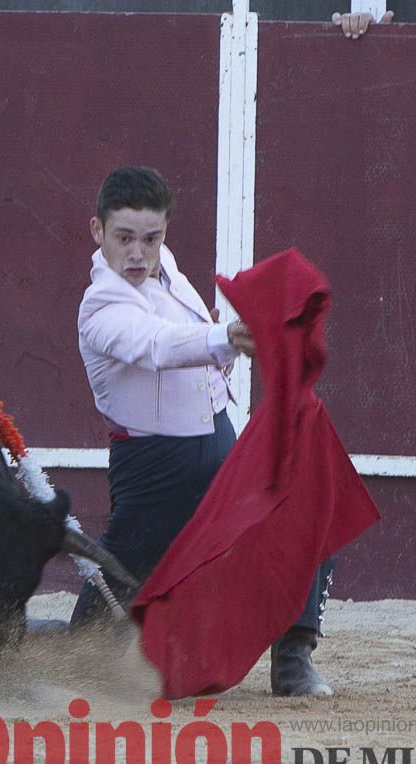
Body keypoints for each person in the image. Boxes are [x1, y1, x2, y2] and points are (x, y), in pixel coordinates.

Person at [68, 166, 339, 697]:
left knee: (309, 499)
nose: (139, 254)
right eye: (124, 238)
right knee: (91, 649)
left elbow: (193, 342)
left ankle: (294, 655)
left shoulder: (165, 268)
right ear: (97, 232)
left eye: (152, 238)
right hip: (156, 482)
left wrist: (226, 350)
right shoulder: (100, 304)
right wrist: (226, 339)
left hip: (218, 450)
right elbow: (158, 345)